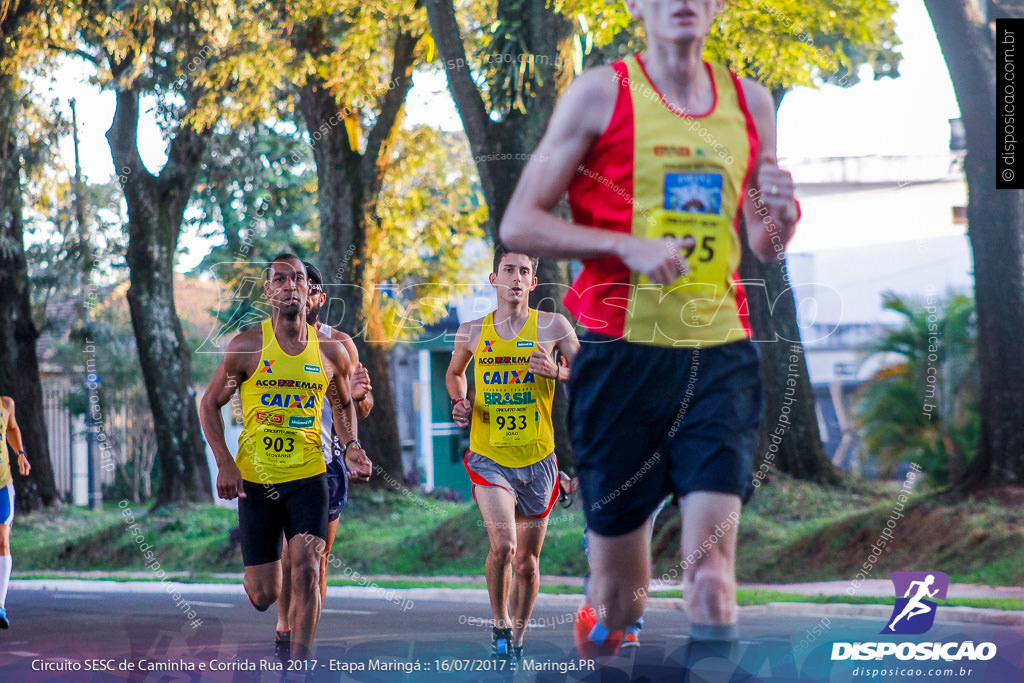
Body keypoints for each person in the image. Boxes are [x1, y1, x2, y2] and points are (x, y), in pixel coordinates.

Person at [499, 0, 799, 657]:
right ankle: (601, 622)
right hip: (619, 359)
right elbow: (519, 222)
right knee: (620, 603)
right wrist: (625, 246)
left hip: (719, 357)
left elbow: (763, 241)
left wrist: (783, 217)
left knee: (713, 579)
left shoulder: (752, 103)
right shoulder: (599, 94)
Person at [200, 253, 372, 665]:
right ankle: (265, 593)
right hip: (257, 480)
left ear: (309, 290)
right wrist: (225, 461)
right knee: (265, 595)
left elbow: (345, 403)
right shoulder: (246, 347)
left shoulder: (332, 349)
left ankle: (299, 667)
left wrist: (351, 447)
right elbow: (210, 404)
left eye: (298, 279)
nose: (290, 286)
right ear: (268, 290)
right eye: (280, 279)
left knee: (309, 569)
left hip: (310, 477)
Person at [445, 245, 580, 666]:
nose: (516, 278)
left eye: (524, 271)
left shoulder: (553, 326)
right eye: (508, 270)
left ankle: (518, 638)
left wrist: (557, 371)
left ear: (533, 282)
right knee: (503, 546)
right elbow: (454, 374)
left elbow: (594, 373)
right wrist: (461, 401)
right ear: (494, 279)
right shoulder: (471, 331)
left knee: (527, 562)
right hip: (490, 457)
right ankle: (500, 623)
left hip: (539, 459)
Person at [273, 262, 374, 662]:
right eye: (291, 282)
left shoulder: (340, 344)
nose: (298, 291)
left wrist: (360, 395)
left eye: (308, 286)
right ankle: (284, 624)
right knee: (287, 553)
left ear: (319, 298)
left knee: (316, 561)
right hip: (281, 460)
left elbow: (363, 409)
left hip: (327, 463)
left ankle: (303, 647)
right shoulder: (270, 342)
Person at [0, 396, 30, 628]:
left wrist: (20, 454)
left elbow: (12, 427)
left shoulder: (6, 404)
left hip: (2, 484)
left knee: (2, 540)